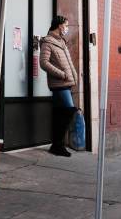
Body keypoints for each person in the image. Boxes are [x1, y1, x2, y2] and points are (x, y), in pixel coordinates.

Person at [40, 15, 78, 157]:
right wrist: (62, 74)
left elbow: (67, 62)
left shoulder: (62, 42)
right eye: (66, 25)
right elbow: (44, 63)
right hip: (59, 83)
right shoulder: (48, 42)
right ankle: (58, 145)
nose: (67, 28)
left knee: (59, 114)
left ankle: (56, 145)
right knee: (69, 110)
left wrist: (73, 75)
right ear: (59, 25)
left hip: (66, 83)